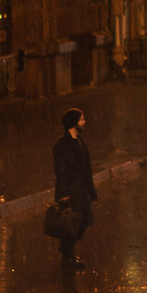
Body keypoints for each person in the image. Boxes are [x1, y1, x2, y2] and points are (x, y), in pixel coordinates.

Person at [52, 108, 97, 268]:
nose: (84, 122)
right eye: (82, 120)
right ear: (74, 123)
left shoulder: (80, 141)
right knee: (70, 222)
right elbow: (61, 171)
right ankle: (68, 255)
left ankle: (67, 250)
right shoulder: (62, 145)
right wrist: (63, 193)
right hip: (71, 190)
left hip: (82, 189)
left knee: (86, 219)